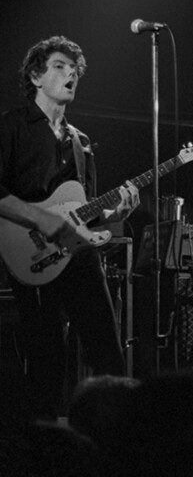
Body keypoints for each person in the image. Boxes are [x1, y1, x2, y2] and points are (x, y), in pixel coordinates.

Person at [0, 35, 139, 421]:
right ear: (35, 75)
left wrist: (114, 213)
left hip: (78, 254)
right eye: (60, 66)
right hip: (30, 253)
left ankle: (113, 443)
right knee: (48, 360)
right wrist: (42, 218)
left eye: (74, 69)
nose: (71, 74)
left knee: (108, 353)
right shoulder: (12, 126)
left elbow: (86, 211)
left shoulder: (81, 141)